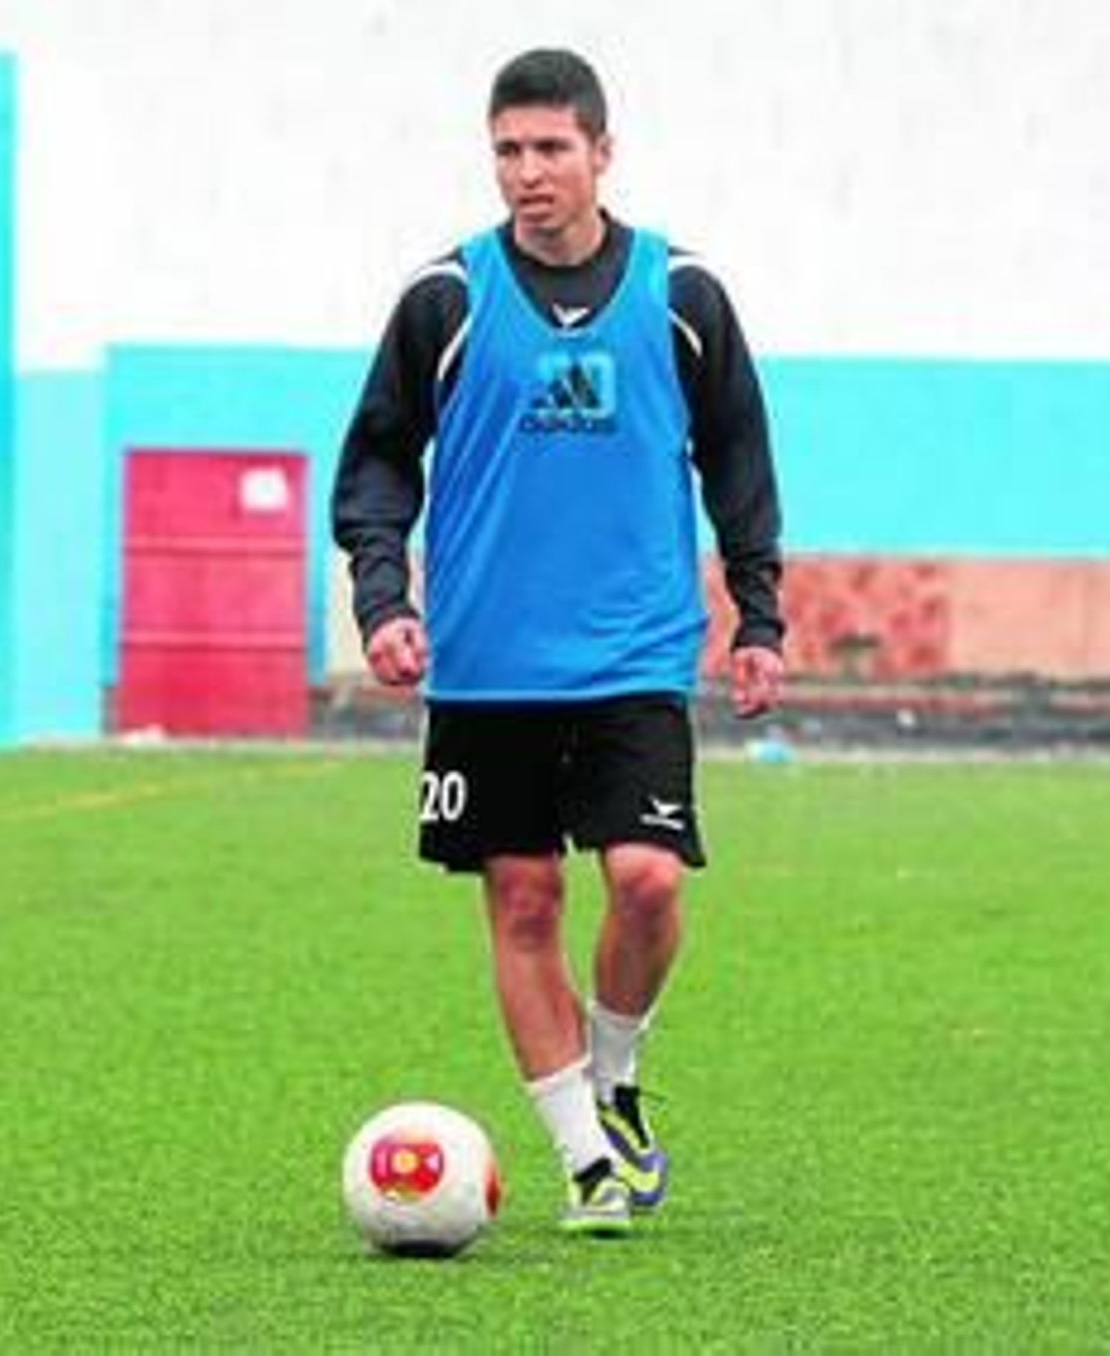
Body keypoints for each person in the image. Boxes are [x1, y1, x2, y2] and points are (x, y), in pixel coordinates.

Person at [331, 47, 785, 1237]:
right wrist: (385, 600)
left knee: (642, 881)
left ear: (601, 152)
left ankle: (616, 1078)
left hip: (635, 650)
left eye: (549, 149)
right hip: (485, 664)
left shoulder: (681, 298)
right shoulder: (446, 300)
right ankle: (589, 1164)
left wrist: (758, 611)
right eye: (507, 152)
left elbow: (738, 452)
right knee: (523, 900)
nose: (527, 174)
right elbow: (378, 459)